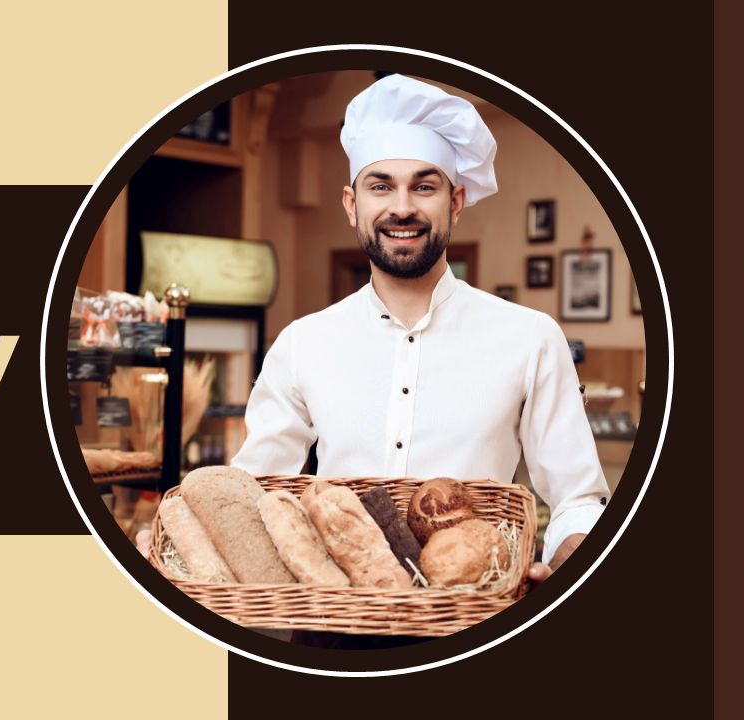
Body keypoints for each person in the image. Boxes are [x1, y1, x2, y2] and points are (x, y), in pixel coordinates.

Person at [137, 74, 608, 643]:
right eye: (380, 186)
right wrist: (181, 548)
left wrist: (566, 570)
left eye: (425, 186)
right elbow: (254, 489)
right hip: (330, 630)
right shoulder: (303, 343)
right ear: (351, 204)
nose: (402, 208)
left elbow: (579, 498)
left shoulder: (530, 337)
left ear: (456, 201)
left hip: (474, 624)